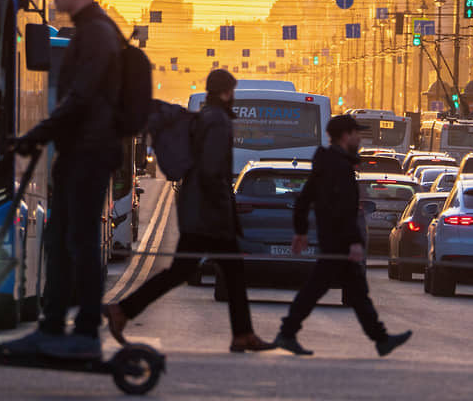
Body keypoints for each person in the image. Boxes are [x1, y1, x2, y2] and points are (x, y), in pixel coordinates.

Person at [4, 0, 129, 359]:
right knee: (63, 242)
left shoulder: (95, 34)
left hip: (88, 155)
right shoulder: (94, 31)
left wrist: (38, 133)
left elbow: (81, 97)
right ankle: (55, 327)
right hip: (84, 152)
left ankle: (82, 333)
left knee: (77, 244)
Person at [104, 69, 275, 353]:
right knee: (210, 271)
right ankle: (123, 311)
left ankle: (242, 333)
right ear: (225, 92)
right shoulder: (218, 121)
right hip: (209, 214)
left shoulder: (206, 117)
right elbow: (211, 171)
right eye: (231, 91)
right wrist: (223, 210)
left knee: (210, 271)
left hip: (198, 209)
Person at [273, 115, 412, 357]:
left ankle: (380, 338)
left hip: (334, 238)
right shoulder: (338, 167)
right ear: (346, 136)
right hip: (338, 240)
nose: (360, 138)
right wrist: (354, 242)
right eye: (357, 133)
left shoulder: (330, 164)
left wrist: (301, 231)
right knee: (320, 289)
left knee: (353, 292)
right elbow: (344, 210)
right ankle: (287, 333)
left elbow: (305, 200)